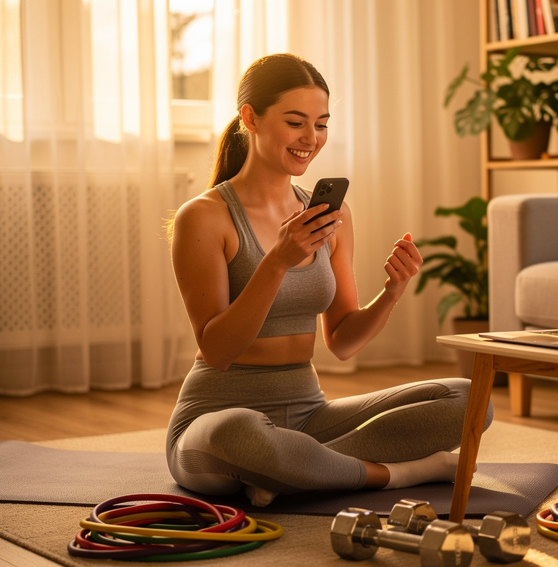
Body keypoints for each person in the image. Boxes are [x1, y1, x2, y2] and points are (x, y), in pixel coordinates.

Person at [165, 53, 491, 507]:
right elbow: (217, 351)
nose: (311, 138)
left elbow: (342, 341)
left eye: (321, 124)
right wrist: (276, 262)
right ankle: (400, 473)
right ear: (250, 118)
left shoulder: (331, 216)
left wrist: (392, 293)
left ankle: (293, 469)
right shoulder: (204, 217)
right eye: (295, 122)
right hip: (217, 417)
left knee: (469, 399)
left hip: (309, 416)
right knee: (240, 434)